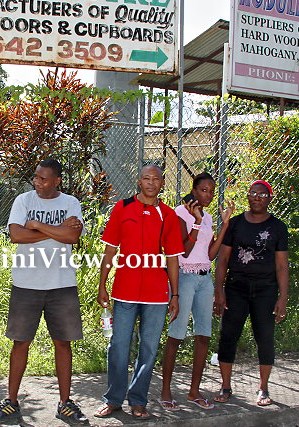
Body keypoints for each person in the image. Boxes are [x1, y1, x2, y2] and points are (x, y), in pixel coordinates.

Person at [0, 159, 88, 425]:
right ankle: (11, 401)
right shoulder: (23, 200)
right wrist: (58, 230)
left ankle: (65, 403)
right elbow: (17, 236)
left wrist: (36, 225)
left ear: (57, 181)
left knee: (63, 343)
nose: (37, 182)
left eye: (44, 179)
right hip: (26, 284)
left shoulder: (70, 202)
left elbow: (72, 237)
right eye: (36, 177)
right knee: (20, 343)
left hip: (62, 284)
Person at [95, 164, 184, 420]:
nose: (151, 183)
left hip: (156, 294)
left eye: (156, 179)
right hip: (125, 291)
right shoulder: (122, 208)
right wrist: (102, 285)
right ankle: (113, 400)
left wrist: (175, 295)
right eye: (146, 178)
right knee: (118, 346)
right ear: (139, 181)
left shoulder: (168, 215)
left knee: (149, 348)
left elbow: (173, 258)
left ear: (162, 183)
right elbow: (110, 250)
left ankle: (138, 400)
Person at [159, 172, 235, 411]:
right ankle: (166, 391)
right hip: (184, 278)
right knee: (176, 335)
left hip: (204, 279)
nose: (208, 195)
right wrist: (197, 221)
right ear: (193, 190)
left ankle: (194, 392)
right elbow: (184, 251)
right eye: (204, 190)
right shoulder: (180, 213)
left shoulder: (208, 217)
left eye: (212, 191)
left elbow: (210, 255)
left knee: (203, 335)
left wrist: (225, 225)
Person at [213, 180, 289, 407]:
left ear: (270, 199)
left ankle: (263, 388)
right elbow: (223, 259)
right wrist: (219, 290)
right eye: (253, 193)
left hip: (265, 290)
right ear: (248, 196)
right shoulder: (235, 224)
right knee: (228, 336)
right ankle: (226, 386)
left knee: (265, 338)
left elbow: (281, 266)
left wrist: (283, 297)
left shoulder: (278, 227)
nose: (257, 197)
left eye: (262, 194)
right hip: (236, 288)